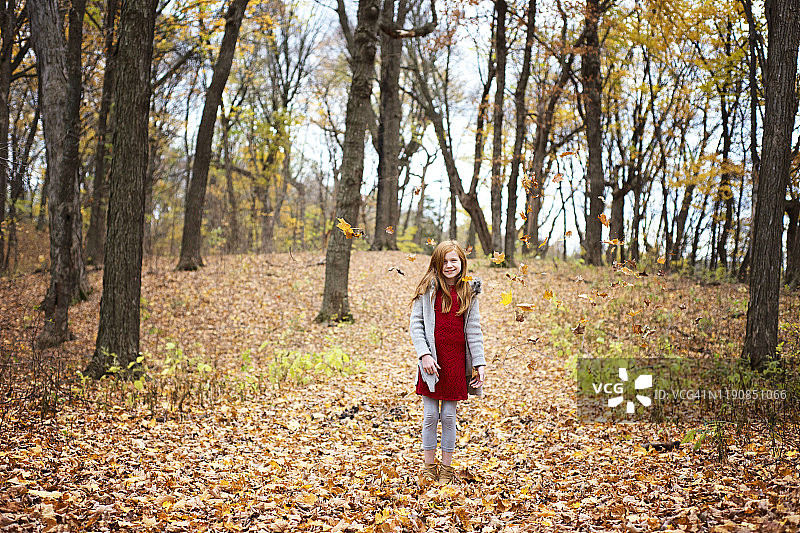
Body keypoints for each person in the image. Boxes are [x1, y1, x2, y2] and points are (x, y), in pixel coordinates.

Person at [409, 240, 486, 485]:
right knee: (431, 415)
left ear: (462, 263)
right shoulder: (427, 290)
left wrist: (480, 363)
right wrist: (424, 355)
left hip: (455, 363)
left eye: (454, 260)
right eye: (444, 261)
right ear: (436, 263)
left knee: (450, 417)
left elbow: (474, 330)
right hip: (432, 362)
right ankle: (429, 467)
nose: (449, 265)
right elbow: (416, 325)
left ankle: (446, 469)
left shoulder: (468, 292)